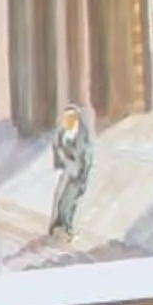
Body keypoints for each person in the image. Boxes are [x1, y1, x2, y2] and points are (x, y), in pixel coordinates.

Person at [48, 104, 93, 244]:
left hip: (78, 171)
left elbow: (87, 155)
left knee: (71, 200)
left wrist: (81, 171)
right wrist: (61, 161)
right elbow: (57, 147)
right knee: (59, 197)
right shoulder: (62, 132)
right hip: (68, 169)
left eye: (72, 117)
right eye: (67, 117)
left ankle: (68, 227)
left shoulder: (82, 133)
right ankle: (56, 225)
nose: (69, 120)